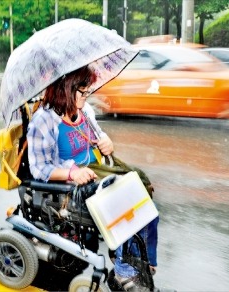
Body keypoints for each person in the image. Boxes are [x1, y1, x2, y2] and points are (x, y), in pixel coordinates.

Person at [26, 65, 159, 291]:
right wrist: (72, 173)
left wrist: (107, 142)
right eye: (83, 91)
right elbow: (39, 169)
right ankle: (123, 274)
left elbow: (100, 135)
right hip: (70, 190)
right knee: (126, 208)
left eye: (88, 91)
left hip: (96, 175)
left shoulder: (84, 111)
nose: (87, 96)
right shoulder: (44, 121)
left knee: (145, 199)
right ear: (65, 88)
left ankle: (141, 263)